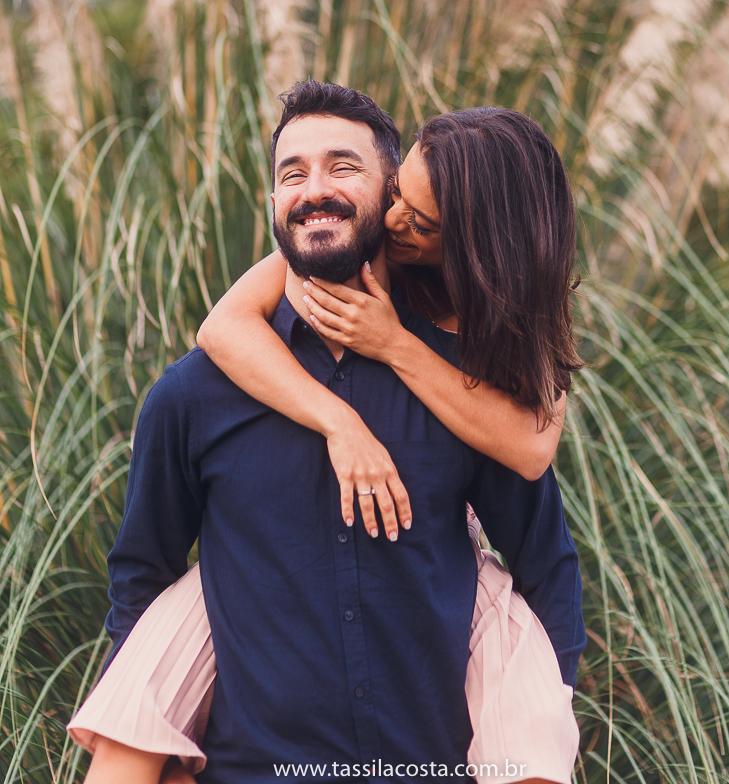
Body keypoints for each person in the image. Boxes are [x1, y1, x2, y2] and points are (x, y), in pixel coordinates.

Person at [69, 84, 585, 784]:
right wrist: (162, 758)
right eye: (291, 173)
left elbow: (543, 552)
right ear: (273, 203)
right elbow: (141, 578)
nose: (316, 191)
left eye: (346, 167)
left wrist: (544, 711)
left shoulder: (473, 381)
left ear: (391, 197)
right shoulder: (193, 397)